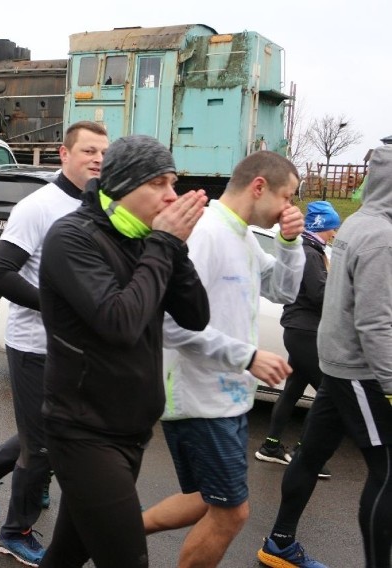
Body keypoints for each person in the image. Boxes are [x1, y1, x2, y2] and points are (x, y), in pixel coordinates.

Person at [37, 135, 210, 567]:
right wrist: (163, 245)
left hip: (130, 432)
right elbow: (120, 323)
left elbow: (196, 314)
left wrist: (174, 248)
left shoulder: (144, 240)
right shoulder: (73, 238)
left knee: (65, 556)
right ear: (126, 184)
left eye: (173, 183)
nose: (172, 195)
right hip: (83, 434)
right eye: (159, 184)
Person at [0, 121, 109, 566]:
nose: (97, 159)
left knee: (44, 432)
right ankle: (14, 531)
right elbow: (1, 275)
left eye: (102, 152)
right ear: (64, 153)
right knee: (44, 442)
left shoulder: (97, 206)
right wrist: (62, 309)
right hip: (35, 343)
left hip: (72, 346)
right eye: (88, 151)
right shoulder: (38, 207)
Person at [143, 150, 306, 568]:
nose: (290, 207)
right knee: (232, 513)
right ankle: (102, 528)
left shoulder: (244, 235)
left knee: (204, 502)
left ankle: (106, 528)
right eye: (287, 197)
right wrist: (247, 355)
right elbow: (167, 323)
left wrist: (289, 244)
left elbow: (283, 291)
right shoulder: (207, 233)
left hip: (228, 399)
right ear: (258, 186)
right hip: (200, 399)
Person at [257, 144, 392, 568]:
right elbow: (375, 323)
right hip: (360, 370)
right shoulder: (381, 238)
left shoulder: (357, 225)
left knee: (311, 454)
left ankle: (279, 542)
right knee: (387, 473)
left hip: (335, 362)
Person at [255, 200, 341, 480]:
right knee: (329, 392)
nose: (334, 234)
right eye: (332, 228)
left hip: (300, 330)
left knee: (293, 390)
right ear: (322, 226)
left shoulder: (312, 250)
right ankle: (305, 454)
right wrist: (343, 296)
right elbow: (318, 294)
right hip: (305, 331)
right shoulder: (310, 252)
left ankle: (271, 447)